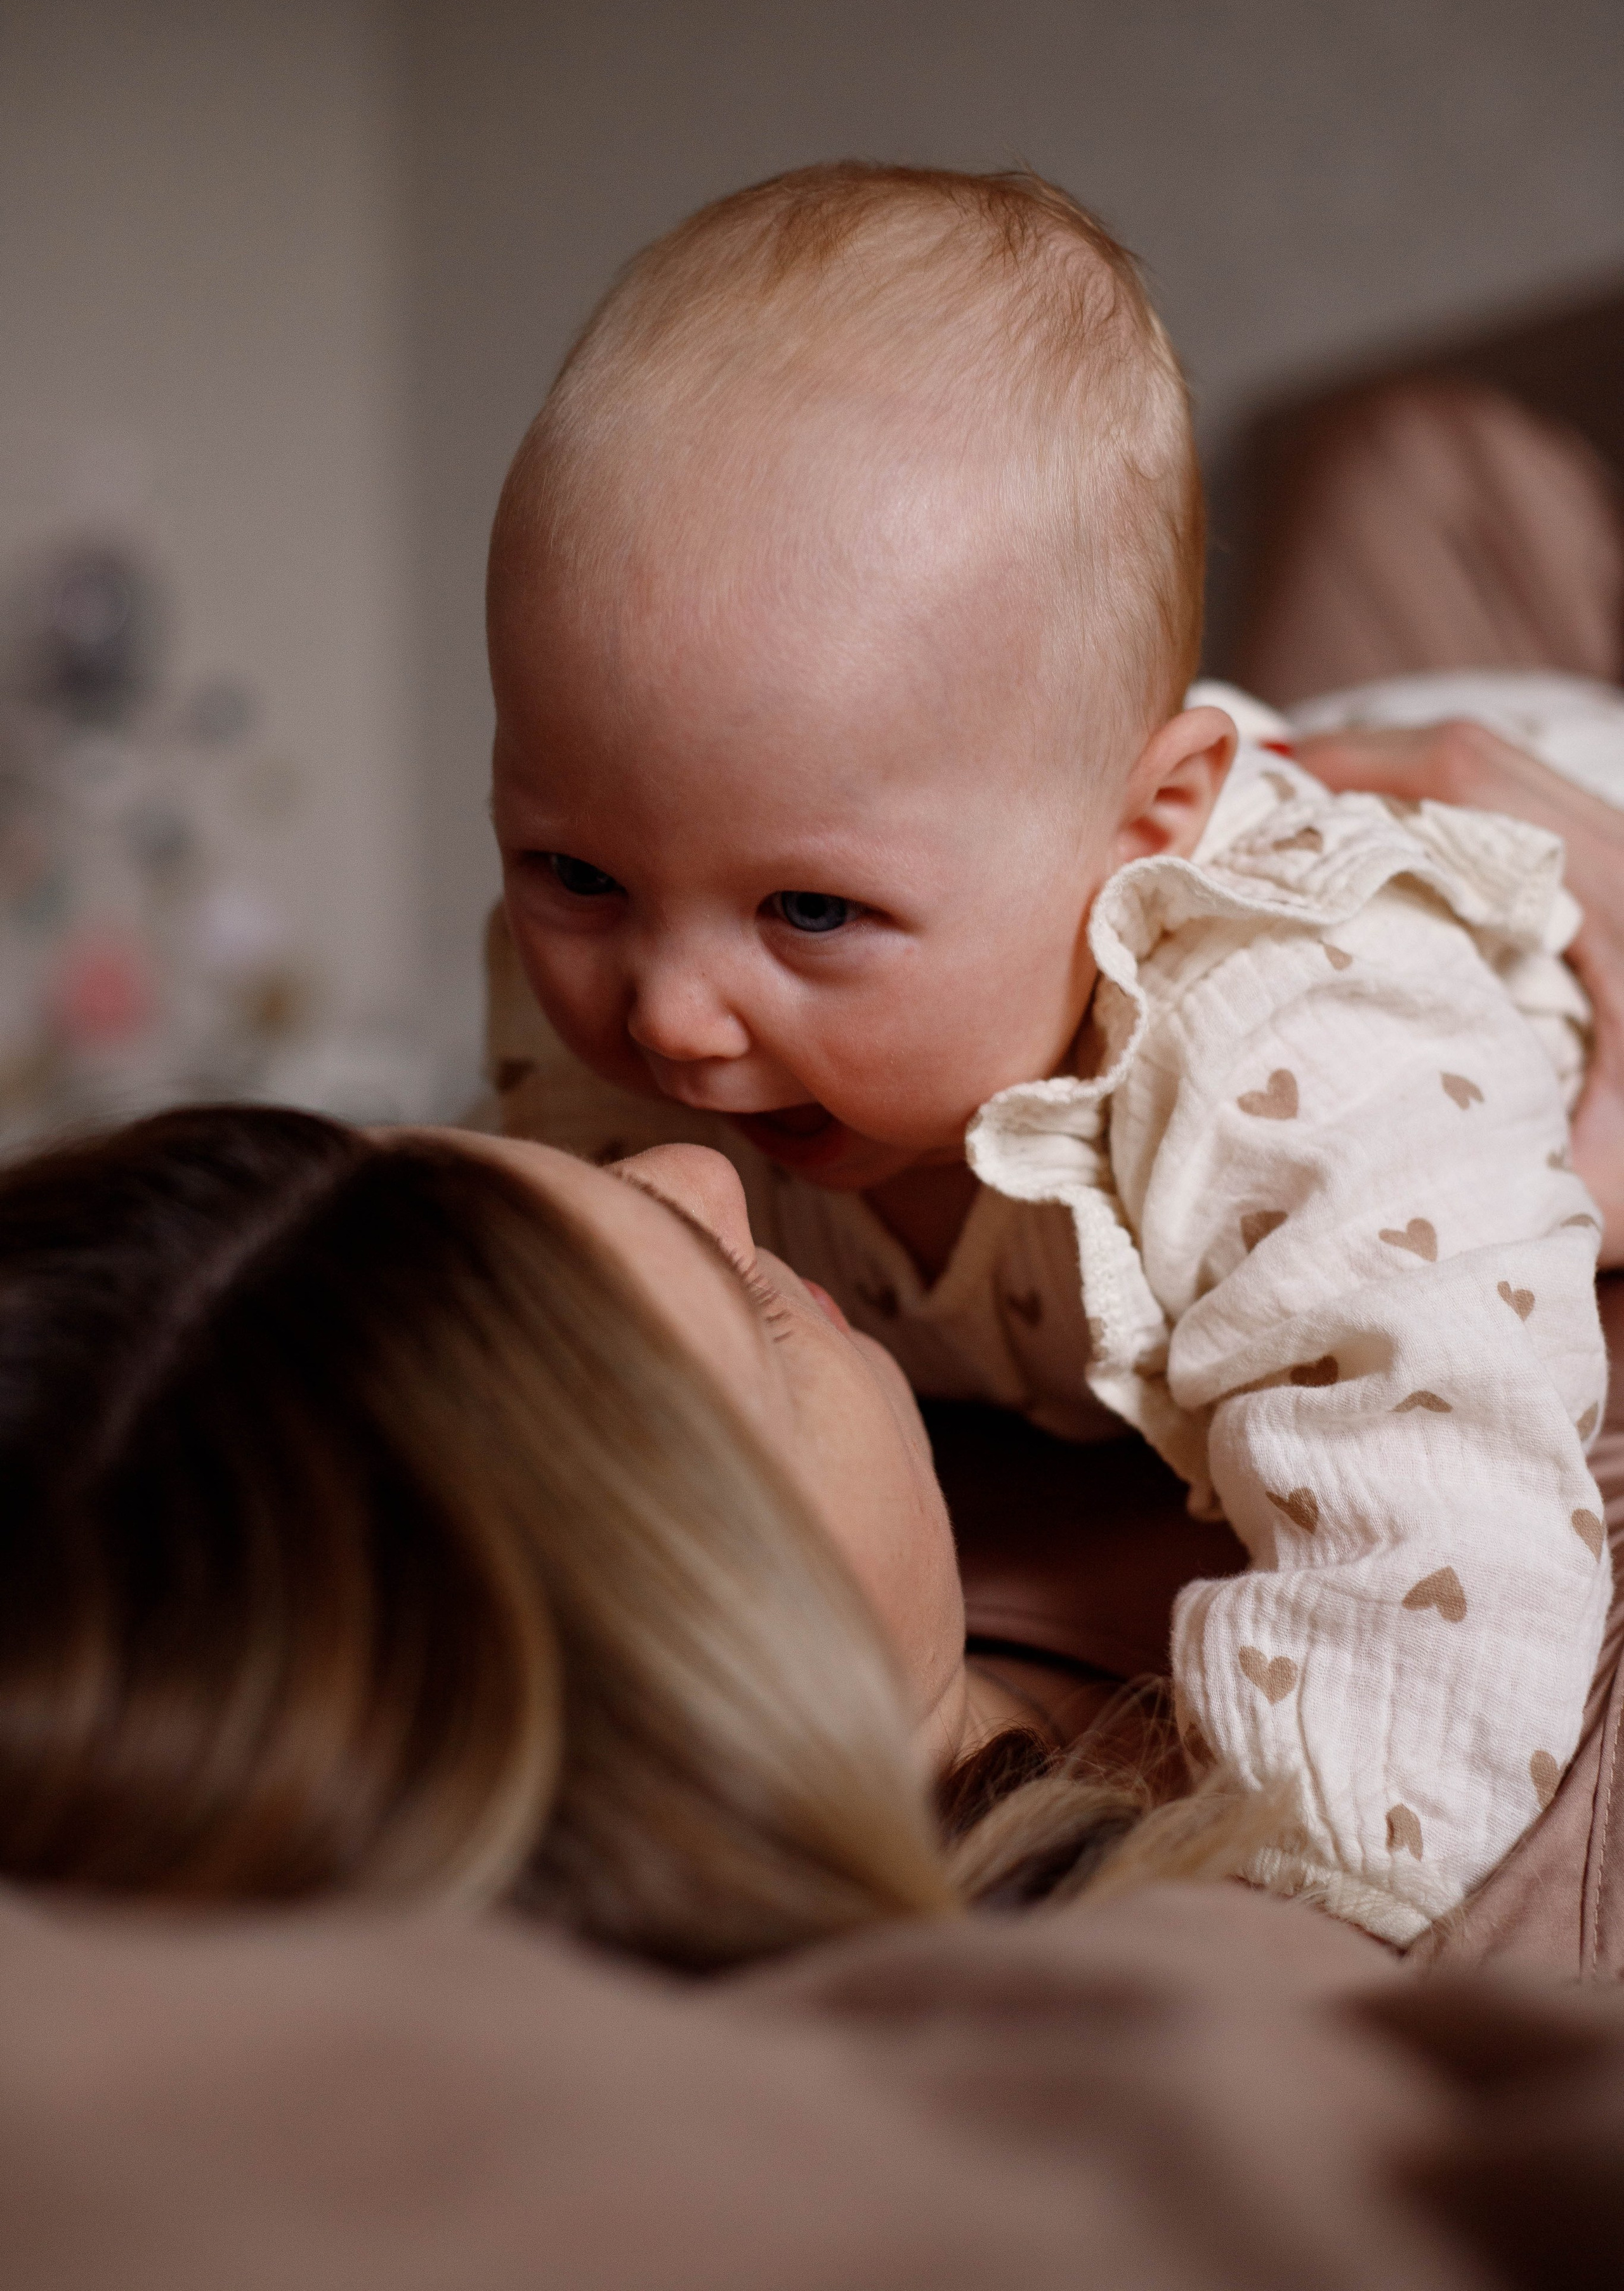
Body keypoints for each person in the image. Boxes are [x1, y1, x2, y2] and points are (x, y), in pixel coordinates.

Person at [482, 161, 1613, 1948]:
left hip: (1552, 810)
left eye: (811, 914)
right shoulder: (667, 960)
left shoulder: (1289, 1045)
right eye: (570, 873)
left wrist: (1281, 1913)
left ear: (1144, 831)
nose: (665, 1020)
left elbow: (1449, 1558)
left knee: (1426, 479)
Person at [0, 1100, 1247, 1965]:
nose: (700, 1163)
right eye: (753, 1309)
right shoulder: (1298, 1902)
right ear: (717, 1678)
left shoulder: (982, 1402)